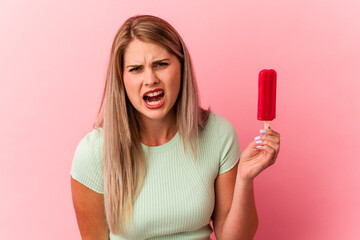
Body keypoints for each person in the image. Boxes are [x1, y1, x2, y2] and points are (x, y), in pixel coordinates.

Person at [70, 15, 280, 240]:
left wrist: (244, 179)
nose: (150, 79)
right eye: (136, 69)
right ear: (121, 79)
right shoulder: (92, 153)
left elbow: (235, 239)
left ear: (182, 68)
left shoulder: (219, 135)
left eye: (161, 64)